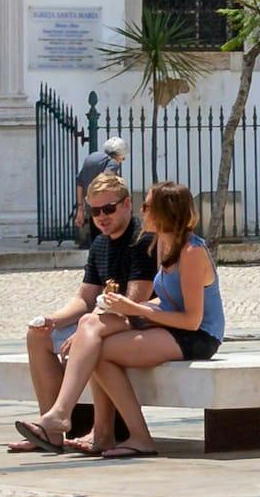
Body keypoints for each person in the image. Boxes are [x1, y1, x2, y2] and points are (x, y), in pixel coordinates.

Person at [20, 180, 221, 458]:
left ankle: (67, 416)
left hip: (199, 336)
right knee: (95, 344)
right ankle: (130, 434)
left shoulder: (191, 252)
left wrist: (135, 309)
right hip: (167, 325)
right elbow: (165, 300)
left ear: (164, 211)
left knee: (94, 337)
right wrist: (133, 308)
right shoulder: (163, 245)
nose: (143, 211)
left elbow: (192, 320)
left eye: (147, 205)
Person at [20, 172, 157, 424]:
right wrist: (52, 320)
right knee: (37, 335)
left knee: (89, 334)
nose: (102, 217)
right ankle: (49, 426)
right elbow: (85, 298)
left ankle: (64, 416)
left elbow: (134, 301)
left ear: (127, 204)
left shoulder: (143, 239)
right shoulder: (100, 244)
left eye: (108, 209)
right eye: (95, 212)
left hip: (136, 323)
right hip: (103, 320)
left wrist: (85, 329)